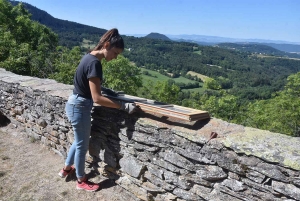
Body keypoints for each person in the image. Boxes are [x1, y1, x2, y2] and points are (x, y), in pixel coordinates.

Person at [58, 28, 138, 192]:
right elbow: (97, 98)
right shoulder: (95, 63)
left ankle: (66, 169)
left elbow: (89, 86)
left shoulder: (89, 57)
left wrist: (105, 90)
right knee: (82, 146)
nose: (115, 58)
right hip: (80, 107)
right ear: (107, 45)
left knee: (78, 141)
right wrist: (123, 106)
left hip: (75, 104)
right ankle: (81, 180)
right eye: (115, 53)